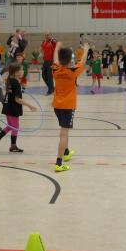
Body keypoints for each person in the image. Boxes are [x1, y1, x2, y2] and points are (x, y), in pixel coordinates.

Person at [52, 41, 88, 172]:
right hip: (68, 106)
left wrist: (57, 46)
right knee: (64, 134)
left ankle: (66, 152)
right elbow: (83, 61)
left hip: (57, 105)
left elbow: (55, 59)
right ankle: (59, 163)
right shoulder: (73, 71)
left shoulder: (55, 69)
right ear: (69, 59)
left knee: (64, 130)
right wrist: (86, 49)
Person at [0, 63, 37, 153]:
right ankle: (13, 146)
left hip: (7, 106)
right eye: (21, 70)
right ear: (16, 72)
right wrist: (30, 106)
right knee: (15, 127)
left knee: (10, 126)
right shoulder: (15, 83)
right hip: (12, 108)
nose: (23, 71)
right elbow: (17, 99)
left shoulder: (10, 80)